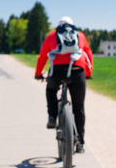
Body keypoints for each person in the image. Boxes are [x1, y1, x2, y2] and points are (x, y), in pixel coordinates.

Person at [34, 16, 93, 153]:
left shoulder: (52, 36)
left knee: (51, 90)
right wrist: (88, 74)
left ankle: (52, 116)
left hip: (57, 71)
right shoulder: (80, 35)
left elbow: (42, 56)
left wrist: (38, 73)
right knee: (79, 107)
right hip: (77, 71)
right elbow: (88, 56)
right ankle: (80, 144)